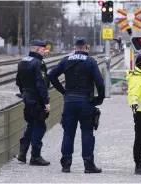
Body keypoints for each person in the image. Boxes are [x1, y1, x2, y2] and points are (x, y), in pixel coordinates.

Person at [48, 38, 105, 173]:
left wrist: (64, 92)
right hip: (86, 102)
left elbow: (51, 75)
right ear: (86, 47)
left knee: (68, 133)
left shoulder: (66, 60)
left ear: (75, 48)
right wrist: (99, 99)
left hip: (69, 102)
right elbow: (100, 83)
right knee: (87, 133)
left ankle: (66, 165)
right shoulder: (90, 61)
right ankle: (88, 165)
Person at [16, 40, 51, 166]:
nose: (44, 50)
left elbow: (18, 81)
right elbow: (41, 84)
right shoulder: (38, 63)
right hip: (37, 99)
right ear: (36, 49)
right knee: (40, 126)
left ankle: (22, 153)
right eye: (42, 49)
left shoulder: (22, 62)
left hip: (27, 98)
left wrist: (25, 94)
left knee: (31, 125)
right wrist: (46, 101)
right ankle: (35, 157)